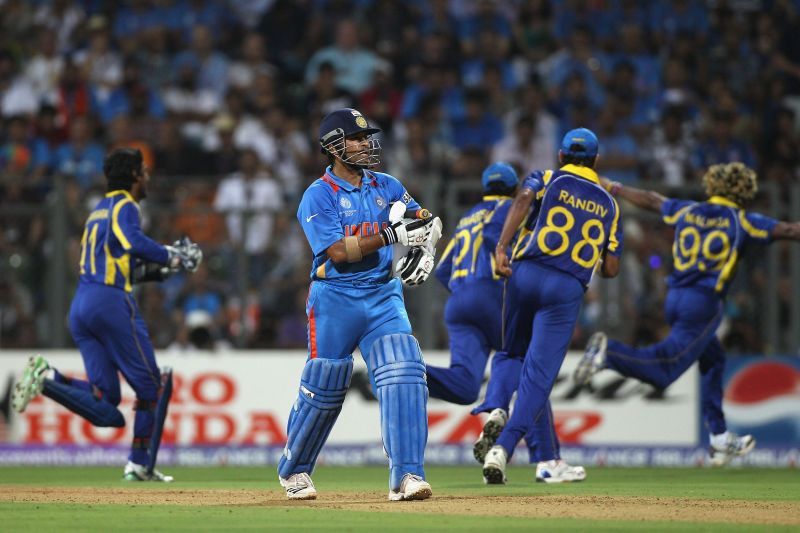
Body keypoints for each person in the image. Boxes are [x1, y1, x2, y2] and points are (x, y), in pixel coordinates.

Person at [575, 161, 800, 466]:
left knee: (714, 359)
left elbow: (652, 200)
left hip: (675, 297)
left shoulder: (688, 210)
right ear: (742, 191)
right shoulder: (743, 220)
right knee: (664, 369)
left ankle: (720, 439)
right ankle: (608, 354)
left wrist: (613, 187)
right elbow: (788, 229)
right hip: (704, 303)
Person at [278, 108, 442, 501]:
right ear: (333, 146)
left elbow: (425, 219)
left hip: (383, 294)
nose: (366, 144)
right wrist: (390, 236)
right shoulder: (318, 195)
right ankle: (295, 470)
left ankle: (408, 477)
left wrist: (427, 247)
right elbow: (336, 252)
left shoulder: (386, 185)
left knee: (404, 371)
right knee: (326, 383)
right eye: (356, 138)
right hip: (335, 298)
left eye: (367, 137)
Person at [11, 148, 202, 482]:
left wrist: (165, 267)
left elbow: (122, 264)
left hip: (82, 306)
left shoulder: (98, 211)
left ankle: (46, 378)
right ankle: (140, 464)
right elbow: (132, 241)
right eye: (143, 171)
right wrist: (171, 254)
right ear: (133, 176)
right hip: (110, 303)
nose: (147, 177)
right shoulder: (125, 205)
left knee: (107, 404)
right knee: (154, 386)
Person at [429, 161, 588, 483]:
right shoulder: (511, 209)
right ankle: (544, 456)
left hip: (459, 303)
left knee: (464, 383)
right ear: (516, 189)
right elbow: (495, 237)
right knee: (530, 368)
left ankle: (405, 370)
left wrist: (466, 292)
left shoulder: (468, 217)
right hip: (495, 295)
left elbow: (443, 270)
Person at [480, 128, 623, 484]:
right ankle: (507, 448)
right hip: (565, 288)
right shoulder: (610, 204)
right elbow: (610, 268)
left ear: (561, 156)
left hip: (525, 272)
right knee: (538, 377)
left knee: (511, 354)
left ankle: (500, 408)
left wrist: (501, 248)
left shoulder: (547, 176)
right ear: (596, 161)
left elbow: (522, 200)